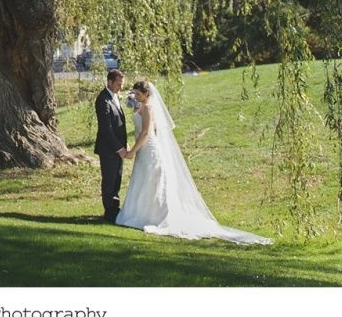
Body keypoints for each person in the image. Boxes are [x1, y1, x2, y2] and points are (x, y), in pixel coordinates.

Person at [115, 80, 272, 244]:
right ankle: (140, 212)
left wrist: (132, 151)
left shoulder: (148, 108)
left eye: (139, 94)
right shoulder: (140, 106)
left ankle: (156, 215)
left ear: (147, 94)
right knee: (143, 180)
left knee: (152, 180)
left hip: (149, 148)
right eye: (135, 94)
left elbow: (146, 132)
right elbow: (138, 129)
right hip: (143, 150)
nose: (136, 97)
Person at [94, 69, 128, 222]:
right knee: (109, 180)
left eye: (122, 84)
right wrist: (119, 148)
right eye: (118, 84)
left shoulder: (114, 97)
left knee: (117, 179)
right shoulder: (103, 100)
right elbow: (106, 128)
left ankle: (115, 208)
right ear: (109, 82)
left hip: (118, 147)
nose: (120, 87)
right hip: (109, 149)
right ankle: (109, 212)